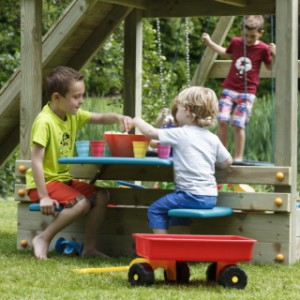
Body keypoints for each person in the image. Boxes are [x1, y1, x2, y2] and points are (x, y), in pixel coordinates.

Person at [26, 66, 133, 259]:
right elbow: (36, 160)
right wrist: (44, 196)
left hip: (62, 181)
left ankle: (89, 249)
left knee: (101, 195)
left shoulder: (72, 115)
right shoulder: (44, 122)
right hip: (43, 184)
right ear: (57, 97)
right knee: (81, 203)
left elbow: (99, 117)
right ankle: (43, 238)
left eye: (82, 95)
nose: (81, 101)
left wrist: (118, 117)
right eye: (76, 96)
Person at [133, 86, 233, 234]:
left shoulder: (180, 133)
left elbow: (150, 133)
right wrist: (209, 160)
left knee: (155, 210)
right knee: (179, 214)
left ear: (186, 111)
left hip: (190, 195)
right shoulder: (212, 138)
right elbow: (227, 162)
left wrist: (137, 120)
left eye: (177, 109)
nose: (175, 113)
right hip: (210, 196)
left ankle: (164, 252)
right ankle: (181, 253)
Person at [202, 15, 276, 161]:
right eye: (246, 35)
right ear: (242, 30)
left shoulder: (263, 49)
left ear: (261, 33)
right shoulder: (236, 42)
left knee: (238, 124)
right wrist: (209, 42)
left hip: (247, 93)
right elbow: (225, 52)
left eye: (252, 36)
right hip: (229, 88)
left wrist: (274, 54)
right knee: (222, 121)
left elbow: (270, 67)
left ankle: (238, 158)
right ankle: (222, 155)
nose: (248, 39)